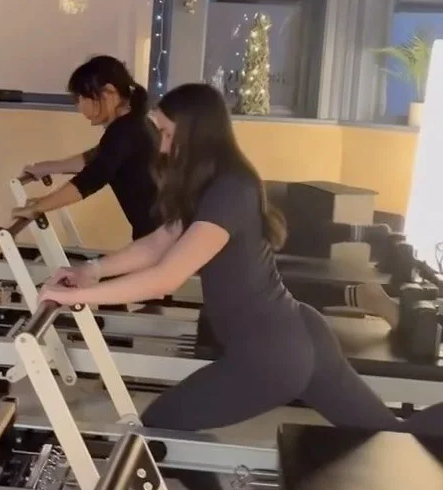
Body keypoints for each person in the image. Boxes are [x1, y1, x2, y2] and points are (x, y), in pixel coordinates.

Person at [40, 82, 443, 438]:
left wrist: (77, 297)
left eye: (166, 134)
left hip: (272, 353)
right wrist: (90, 271)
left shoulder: (230, 190)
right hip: (296, 335)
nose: (161, 146)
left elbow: (166, 278)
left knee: (160, 427)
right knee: (392, 434)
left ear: (195, 133)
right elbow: (158, 243)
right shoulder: (210, 184)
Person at [14, 55, 159, 242]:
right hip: (160, 234)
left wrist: (38, 207)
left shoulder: (125, 131)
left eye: (82, 97)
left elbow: (91, 179)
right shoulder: (138, 124)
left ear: (108, 92)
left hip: (159, 239)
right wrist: (47, 167)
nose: (80, 106)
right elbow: (98, 157)